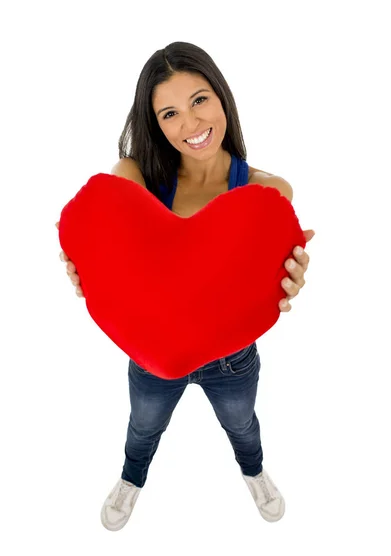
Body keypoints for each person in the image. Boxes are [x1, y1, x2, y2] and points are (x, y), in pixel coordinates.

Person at [56, 42, 315, 531]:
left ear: (222, 97)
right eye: (170, 113)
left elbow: (266, 281)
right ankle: (132, 480)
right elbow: (105, 244)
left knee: (242, 424)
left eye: (199, 100)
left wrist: (287, 281)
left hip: (232, 357)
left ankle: (253, 471)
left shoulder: (266, 193)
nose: (191, 125)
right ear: (154, 123)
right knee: (143, 426)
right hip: (153, 356)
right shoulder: (136, 180)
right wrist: (87, 268)